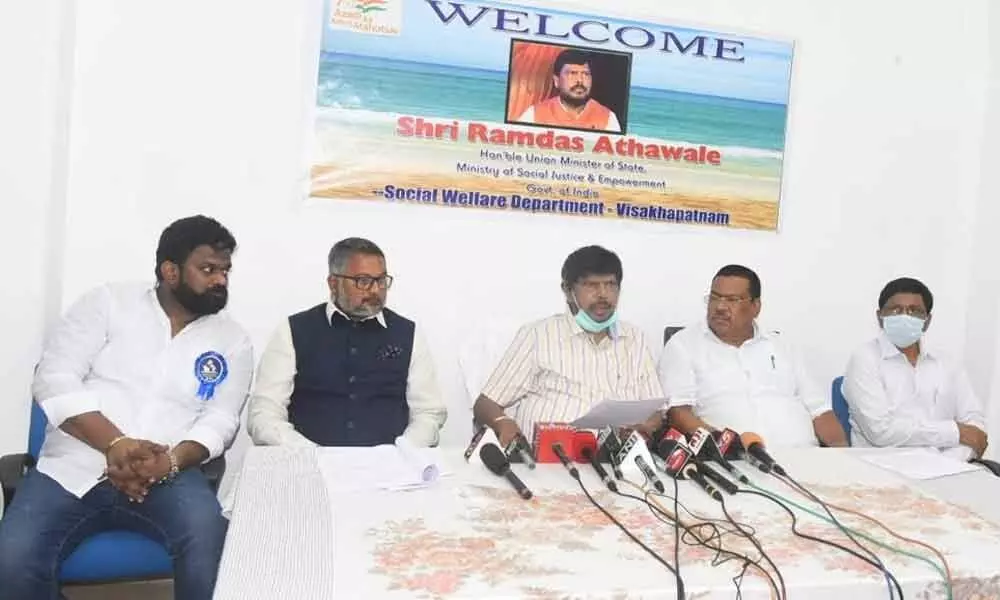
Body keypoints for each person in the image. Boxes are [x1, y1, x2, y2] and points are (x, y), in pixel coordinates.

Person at [0, 215, 253, 600]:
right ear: (170, 271)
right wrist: (116, 444)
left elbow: (221, 419)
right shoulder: (107, 303)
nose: (220, 280)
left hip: (169, 472)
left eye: (224, 271)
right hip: (74, 465)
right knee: (12, 560)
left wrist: (168, 462)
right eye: (207, 269)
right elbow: (53, 378)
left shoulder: (232, 339)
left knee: (211, 548)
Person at [247, 237, 447, 448]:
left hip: (389, 468)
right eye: (363, 281)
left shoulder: (408, 333)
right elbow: (264, 412)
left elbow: (428, 412)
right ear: (333, 283)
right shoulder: (292, 330)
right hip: (310, 463)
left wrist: (401, 452)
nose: (375, 291)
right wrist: (309, 453)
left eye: (381, 281)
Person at [473, 245, 663, 447]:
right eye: (591, 285)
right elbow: (486, 403)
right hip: (549, 462)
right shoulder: (538, 335)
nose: (603, 295)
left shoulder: (635, 339)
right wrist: (503, 423)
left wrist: (645, 427)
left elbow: (656, 409)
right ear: (567, 290)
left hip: (617, 460)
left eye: (610, 285)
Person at [660, 264, 847, 447]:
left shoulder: (783, 346)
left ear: (755, 307)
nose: (720, 307)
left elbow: (820, 411)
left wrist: (842, 455)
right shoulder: (683, 345)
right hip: (736, 460)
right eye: (714, 298)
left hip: (804, 454)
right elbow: (678, 412)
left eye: (732, 300)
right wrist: (723, 446)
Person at [842, 277, 988, 458]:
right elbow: (880, 432)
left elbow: (974, 424)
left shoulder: (947, 362)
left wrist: (950, 461)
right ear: (880, 317)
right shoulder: (864, 358)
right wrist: (955, 432)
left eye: (915, 311)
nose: (905, 316)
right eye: (896, 310)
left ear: (927, 321)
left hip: (949, 465)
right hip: (883, 468)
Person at [516, 48, 622, 133]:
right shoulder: (534, 115)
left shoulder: (608, 118)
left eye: (585, 74)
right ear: (556, 81)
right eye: (572, 73)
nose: (580, 81)